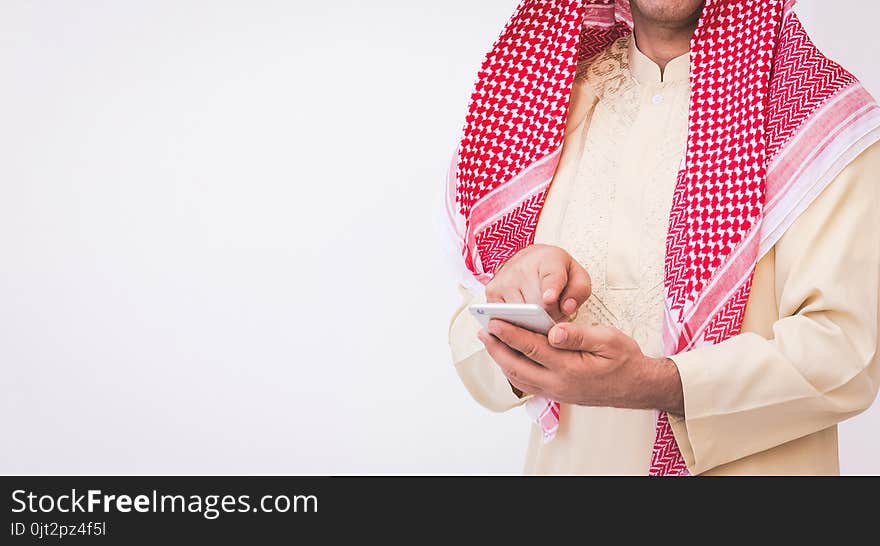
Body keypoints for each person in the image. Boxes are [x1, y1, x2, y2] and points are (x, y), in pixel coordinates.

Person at [444, 0, 880, 475]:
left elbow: (846, 354)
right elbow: (476, 349)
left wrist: (661, 384)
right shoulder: (543, 106)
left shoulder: (820, 122)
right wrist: (516, 300)